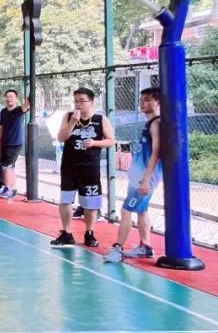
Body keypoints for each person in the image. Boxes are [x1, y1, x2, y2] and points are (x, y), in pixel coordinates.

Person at [50, 87, 114, 248]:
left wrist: (95, 143)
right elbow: (61, 137)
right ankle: (67, 233)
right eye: (76, 101)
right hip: (69, 165)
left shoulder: (100, 119)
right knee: (65, 200)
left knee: (90, 202)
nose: (78, 104)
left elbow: (111, 140)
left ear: (91, 102)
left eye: (82, 101)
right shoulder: (69, 116)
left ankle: (90, 233)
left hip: (90, 167)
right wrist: (72, 122)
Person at [105, 87, 162, 262]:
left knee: (126, 210)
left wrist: (146, 180)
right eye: (141, 99)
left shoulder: (157, 124)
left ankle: (118, 249)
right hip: (140, 177)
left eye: (147, 99)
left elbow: (157, 153)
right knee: (142, 211)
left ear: (158, 102)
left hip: (145, 178)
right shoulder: (150, 123)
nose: (142, 103)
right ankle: (146, 247)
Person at [0, 90, 32, 201]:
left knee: (6, 166)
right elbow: (1, 127)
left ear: (16, 98)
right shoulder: (3, 111)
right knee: (10, 167)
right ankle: (13, 189)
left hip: (15, 143)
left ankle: (8, 188)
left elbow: (26, 106)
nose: (9, 98)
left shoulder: (18, 110)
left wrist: (29, 99)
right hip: (5, 142)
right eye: (7, 96)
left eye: (11, 96)